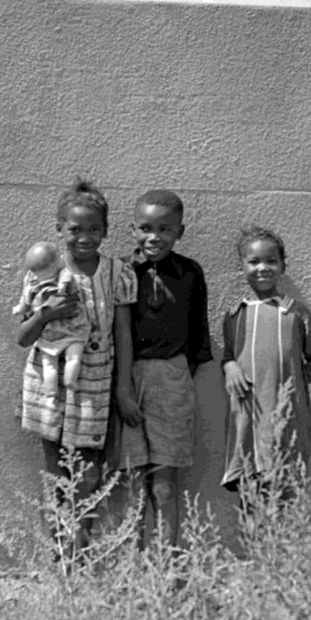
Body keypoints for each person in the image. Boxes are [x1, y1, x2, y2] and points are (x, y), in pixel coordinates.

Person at [14, 179, 137, 555]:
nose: (85, 237)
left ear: (106, 231)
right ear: (59, 228)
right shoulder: (41, 273)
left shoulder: (118, 273)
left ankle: (79, 553)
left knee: (87, 473)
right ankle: (59, 557)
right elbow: (22, 336)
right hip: (48, 385)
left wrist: (123, 388)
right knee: (56, 472)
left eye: (94, 229)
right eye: (75, 229)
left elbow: (124, 336)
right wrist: (47, 313)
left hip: (95, 383)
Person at [115, 189, 212, 548]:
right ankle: (133, 566)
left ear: (180, 232)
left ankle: (166, 563)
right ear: (132, 229)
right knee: (131, 479)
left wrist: (176, 374)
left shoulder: (189, 274)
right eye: (145, 228)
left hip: (171, 378)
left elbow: (198, 337)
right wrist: (122, 387)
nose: (154, 237)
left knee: (164, 482)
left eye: (165, 229)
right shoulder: (121, 270)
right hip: (128, 377)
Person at [221, 225, 311, 501]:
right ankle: (256, 542)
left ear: (283, 265)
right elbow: (229, 355)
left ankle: (282, 544)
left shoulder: (295, 313)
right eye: (254, 261)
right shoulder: (235, 315)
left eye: (271, 261)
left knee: (284, 484)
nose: (263, 268)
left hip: (286, 413)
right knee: (250, 485)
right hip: (247, 415)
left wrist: (290, 383)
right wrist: (230, 366)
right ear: (242, 266)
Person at [15, 241, 87, 389]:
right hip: (66, 331)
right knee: (61, 360)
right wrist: (35, 312)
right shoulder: (33, 279)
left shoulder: (62, 273)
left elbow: (64, 281)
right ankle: (53, 387)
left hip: (60, 333)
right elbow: (22, 338)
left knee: (60, 360)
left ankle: (63, 382)